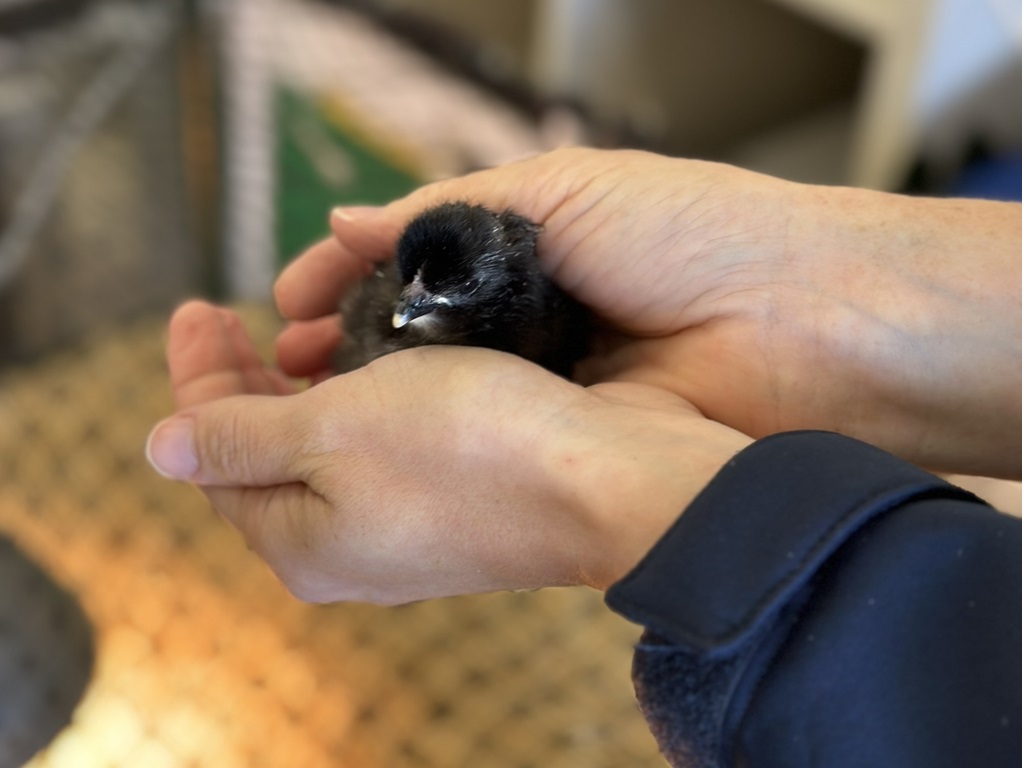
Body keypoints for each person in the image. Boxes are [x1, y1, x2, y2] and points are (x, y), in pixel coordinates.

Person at [146, 148, 1021, 767]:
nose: (409, 303)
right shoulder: (418, 310)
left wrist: (596, 488)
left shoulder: (525, 312)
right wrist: (789, 273)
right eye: (415, 287)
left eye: (437, 292)